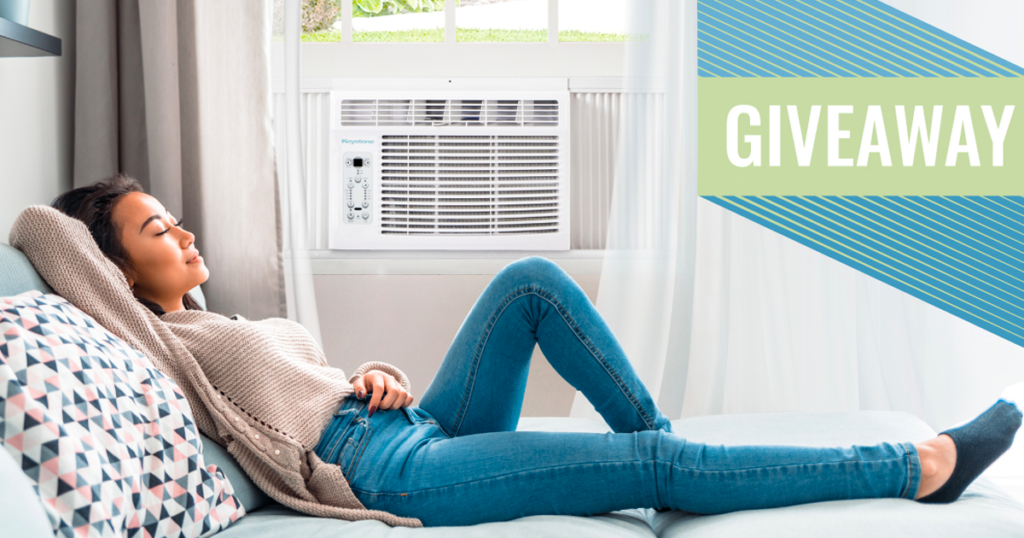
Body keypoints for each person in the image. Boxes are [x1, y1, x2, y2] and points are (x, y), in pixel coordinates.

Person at [10, 174, 1022, 528]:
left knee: (530, 283)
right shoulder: (155, 337)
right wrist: (98, 225)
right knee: (644, 464)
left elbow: (322, 386)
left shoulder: (245, 325)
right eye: (156, 231)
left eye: (180, 221)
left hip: (405, 423)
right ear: (114, 268)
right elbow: (43, 231)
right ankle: (914, 464)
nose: (184, 236)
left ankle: (660, 454)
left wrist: (380, 374)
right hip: (390, 470)